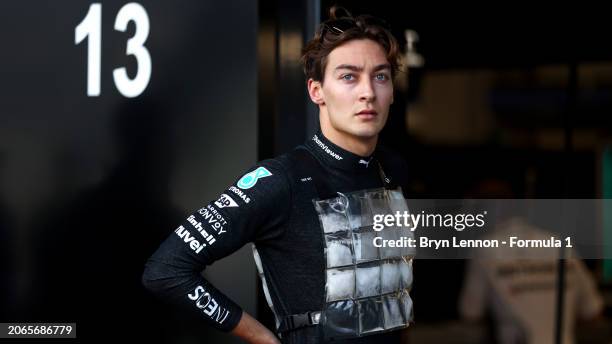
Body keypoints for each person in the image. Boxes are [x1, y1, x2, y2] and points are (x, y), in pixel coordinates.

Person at [142, 7, 414, 344]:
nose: (368, 93)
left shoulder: (393, 169)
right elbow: (165, 270)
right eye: (348, 76)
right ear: (316, 91)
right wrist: (261, 337)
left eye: (380, 76)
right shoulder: (279, 180)